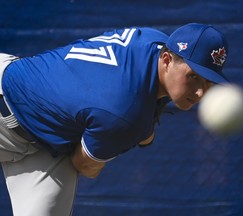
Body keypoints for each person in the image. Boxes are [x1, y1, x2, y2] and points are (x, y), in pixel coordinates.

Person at [0, 23, 228, 215]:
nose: (200, 92)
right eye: (193, 77)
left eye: (209, 81)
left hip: (48, 146)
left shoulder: (152, 40)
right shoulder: (126, 114)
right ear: (167, 60)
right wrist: (136, 132)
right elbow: (84, 165)